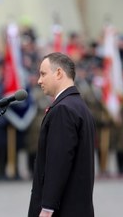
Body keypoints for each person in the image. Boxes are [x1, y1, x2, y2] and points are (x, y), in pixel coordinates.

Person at [28, 52, 95, 217]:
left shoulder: (63, 109)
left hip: (63, 209)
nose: (39, 80)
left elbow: (58, 161)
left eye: (43, 74)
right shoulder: (78, 105)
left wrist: (47, 207)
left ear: (58, 73)